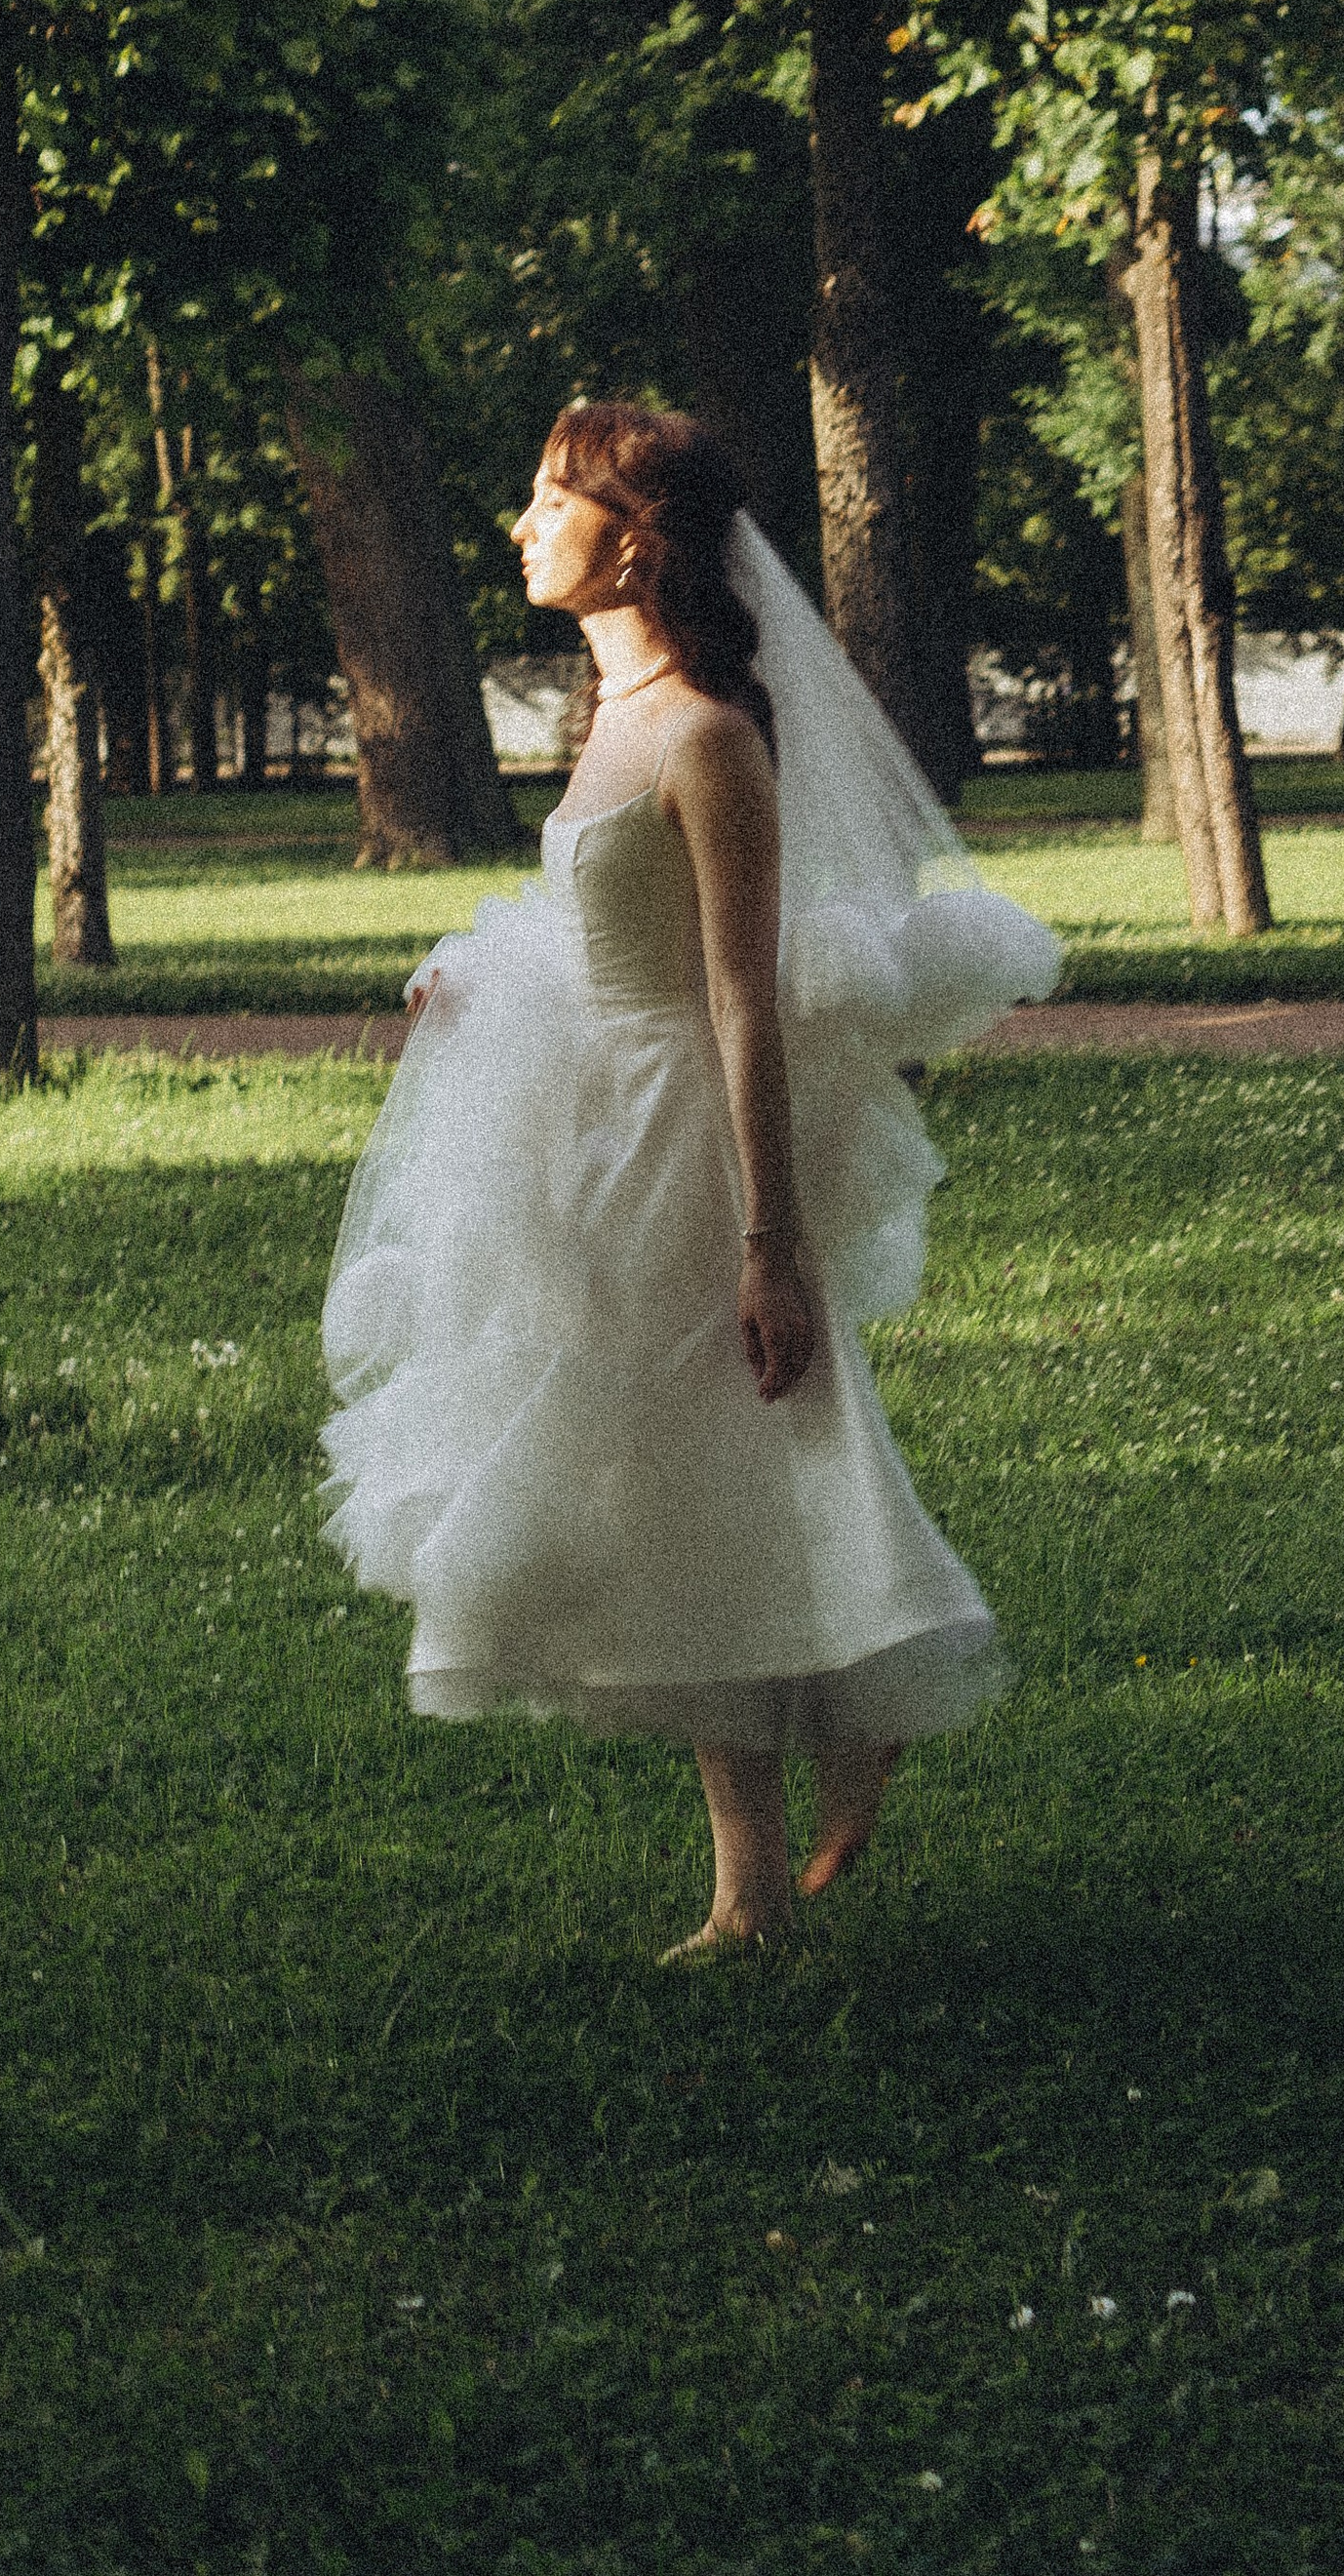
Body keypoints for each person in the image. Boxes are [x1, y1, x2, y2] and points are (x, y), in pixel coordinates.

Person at [319, 403, 1060, 1956]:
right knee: (674, 1483)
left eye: (549, 502)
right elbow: (609, 931)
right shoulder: (614, 716)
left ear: (635, 539)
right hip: (589, 1124)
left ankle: (866, 1699)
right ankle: (751, 1885)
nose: (521, 527)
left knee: (735, 1438)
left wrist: (769, 1239)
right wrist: (481, 984)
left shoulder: (712, 737)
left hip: (684, 1140)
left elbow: (739, 990)